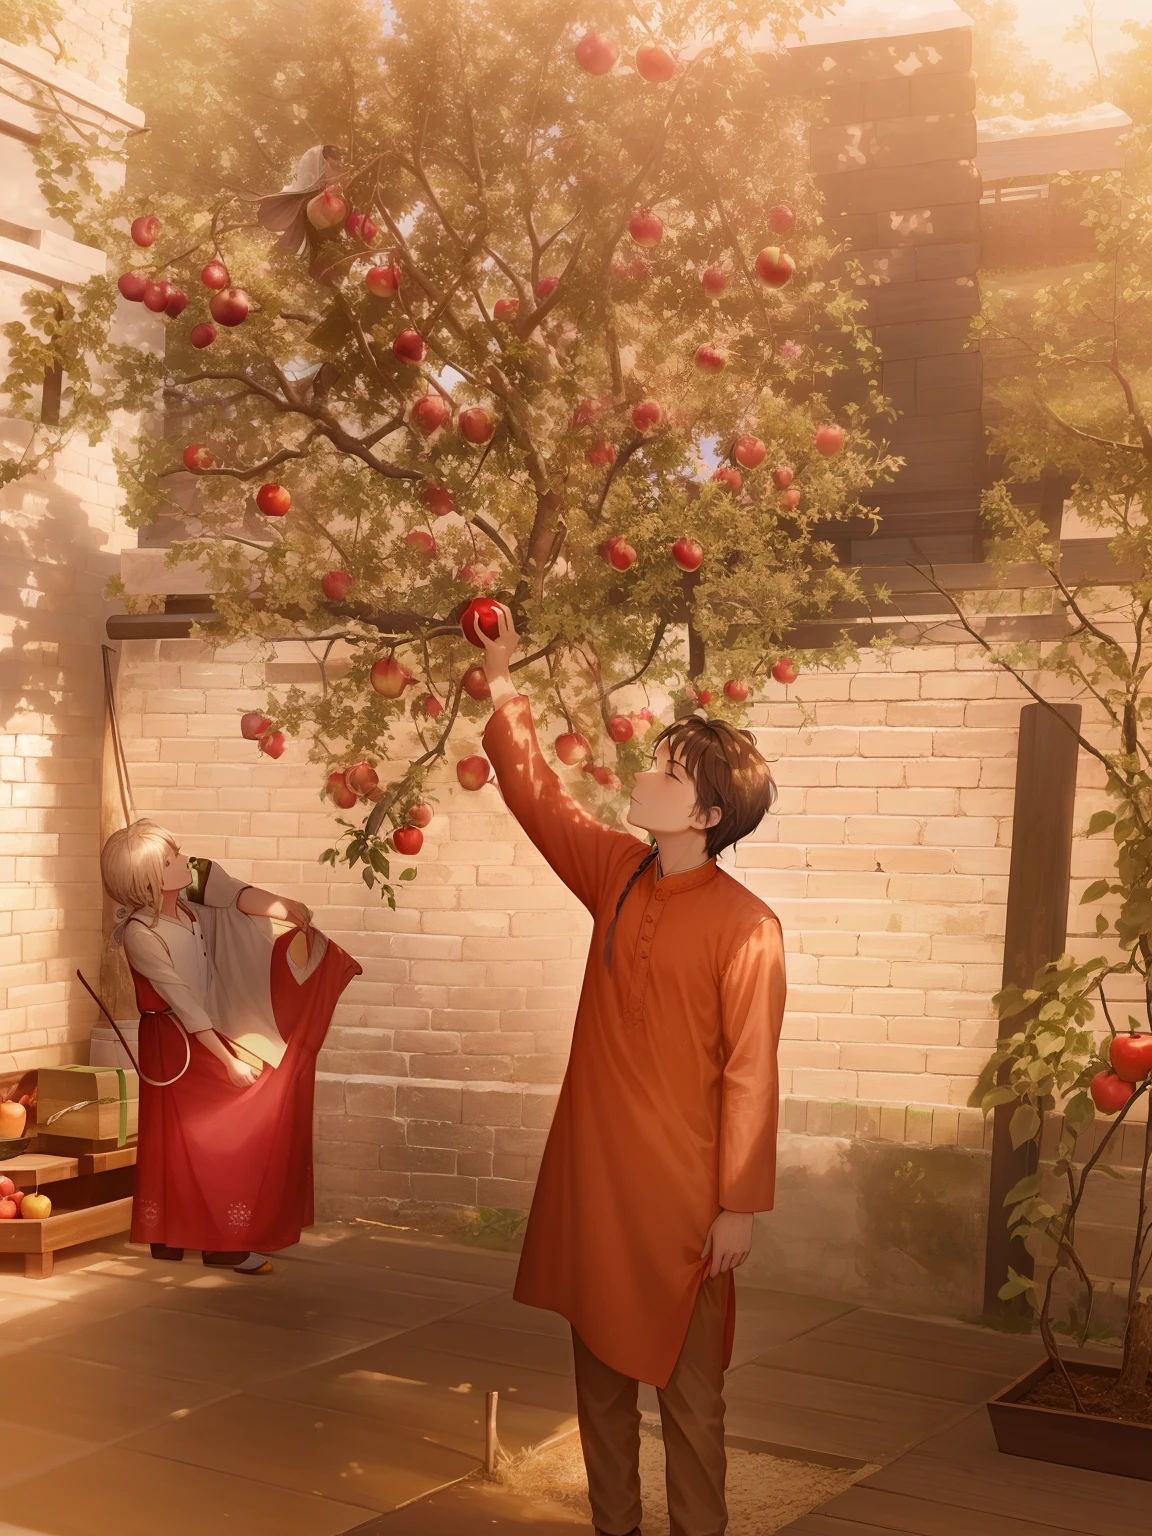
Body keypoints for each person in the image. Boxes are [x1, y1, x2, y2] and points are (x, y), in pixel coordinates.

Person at [476, 607, 786, 1536]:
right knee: (598, 1388)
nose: (643, 775)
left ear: (706, 814)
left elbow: (751, 1074)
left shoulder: (748, 927)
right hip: (595, 1180)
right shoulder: (613, 871)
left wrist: (738, 1203)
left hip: (685, 1201)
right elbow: (541, 801)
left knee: (693, 1400)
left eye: (667, 772)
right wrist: (502, 684)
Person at [99, 820, 361, 1275]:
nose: (185, 862)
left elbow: (232, 893)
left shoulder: (190, 910)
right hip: (176, 1039)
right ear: (148, 880)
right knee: (210, 1136)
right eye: (171, 860)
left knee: (191, 1139)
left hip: (201, 1029)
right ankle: (219, 1242)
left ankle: (181, 1234)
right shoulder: (142, 933)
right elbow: (181, 1000)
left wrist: (284, 907)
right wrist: (228, 1060)